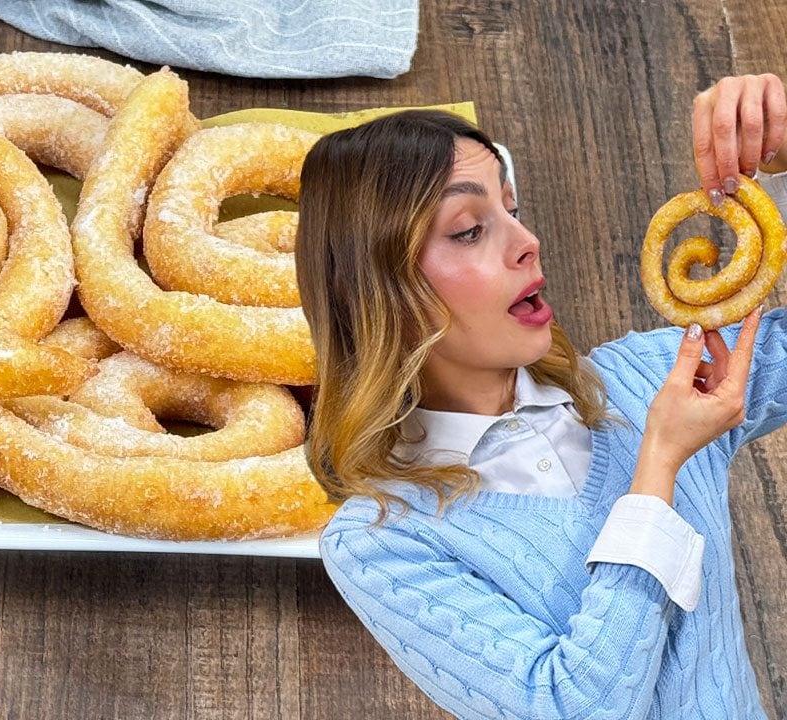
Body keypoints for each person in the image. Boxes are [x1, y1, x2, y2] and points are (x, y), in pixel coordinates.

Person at [296, 73, 787, 719]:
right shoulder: (383, 542)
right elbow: (576, 708)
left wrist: (783, 166)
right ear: (381, 292)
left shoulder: (649, 382)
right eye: (470, 228)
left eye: (513, 210)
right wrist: (657, 468)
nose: (526, 242)